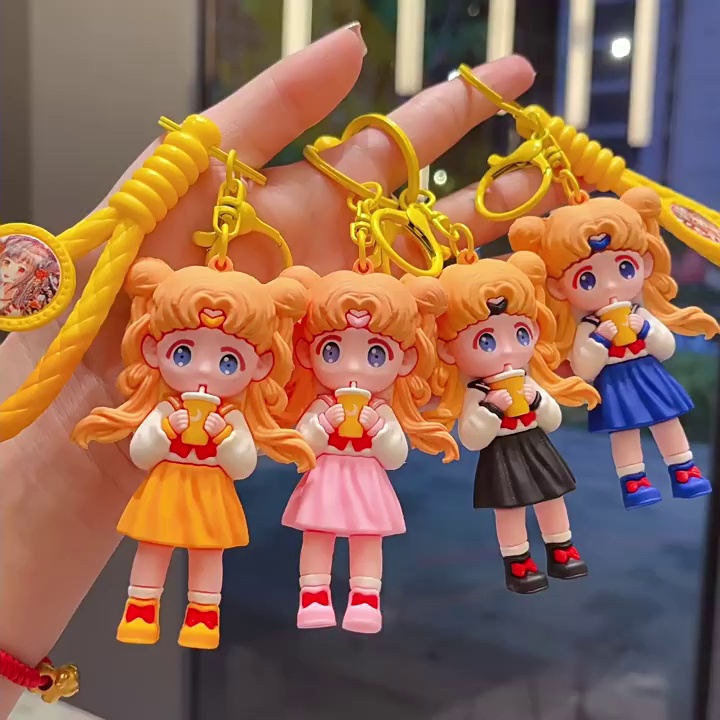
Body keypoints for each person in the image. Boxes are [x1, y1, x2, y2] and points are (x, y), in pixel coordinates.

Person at [0, 22, 564, 714]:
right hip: (187, 471)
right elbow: (163, 447)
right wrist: (159, 428)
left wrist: (369, 428)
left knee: (320, 542)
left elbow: (350, 450)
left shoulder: (366, 396)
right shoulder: (186, 395)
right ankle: (168, 604)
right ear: (153, 349)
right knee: (170, 542)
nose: (352, 364)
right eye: (185, 352)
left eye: (374, 354)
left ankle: (341, 599)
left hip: (343, 471)